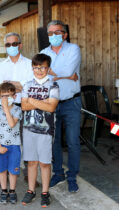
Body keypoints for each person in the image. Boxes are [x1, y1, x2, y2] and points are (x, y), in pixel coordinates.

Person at [40, 20, 82, 193]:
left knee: (73, 142)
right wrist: (64, 75)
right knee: (53, 141)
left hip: (71, 102)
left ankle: (72, 177)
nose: (54, 36)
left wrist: (53, 73)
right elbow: (40, 74)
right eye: (50, 33)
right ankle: (58, 173)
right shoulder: (43, 52)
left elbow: (69, 70)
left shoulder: (73, 49)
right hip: (51, 103)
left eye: (57, 32)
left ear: (64, 34)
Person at [0, 32, 33, 184]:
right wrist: (18, 85)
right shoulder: (0, 66)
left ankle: (27, 173)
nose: (11, 47)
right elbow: (1, 89)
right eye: (8, 44)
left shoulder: (30, 64)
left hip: (26, 105)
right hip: (6, 107)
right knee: (5, 140)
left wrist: (10, 84)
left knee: (26, 141)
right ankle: (3, 173)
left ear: (20, 45)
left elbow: (29, 87)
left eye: (14, 44)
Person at [21, 54, 59, 208]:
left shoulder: (53, 86)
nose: (39, 70)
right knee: (31, 162)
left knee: (44, 163)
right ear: (32, 69)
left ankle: (45, 192)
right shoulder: (27, 85)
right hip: (29, 129)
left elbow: (51, 107)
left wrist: (31, 100)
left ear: (48, 69)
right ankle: (31, 190)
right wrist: (42, 102)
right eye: (36, 67)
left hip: (46, 130)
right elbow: (24, 106)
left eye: (42, 67)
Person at [0, 82, 22, 204]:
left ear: (14, 96)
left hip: (14, 146)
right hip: (0, 145)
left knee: (13, 170)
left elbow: (11, 124)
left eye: (8, 96)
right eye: (3, 96)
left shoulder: (18, 110)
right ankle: (4, 190)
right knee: (2, 170)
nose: (5, 99)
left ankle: (12, 191)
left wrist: (6, 108)